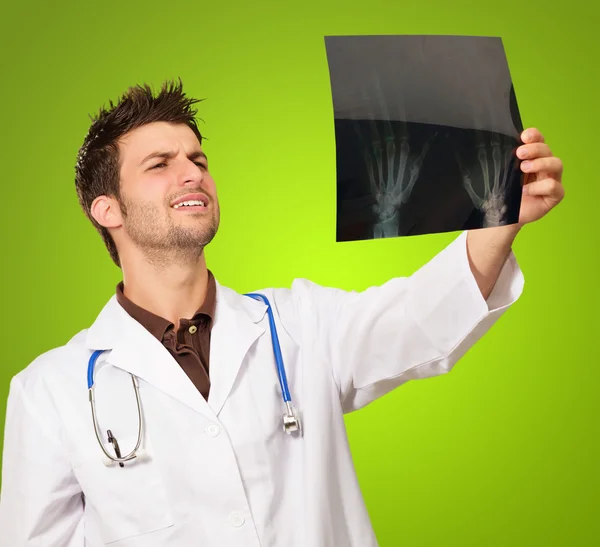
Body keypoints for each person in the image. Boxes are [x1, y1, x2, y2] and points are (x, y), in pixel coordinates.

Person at [0, 79, 564, 547]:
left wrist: (501, 219)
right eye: (160, 164)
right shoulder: (51, 391)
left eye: (197, 158)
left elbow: (418, 322)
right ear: (107, 210)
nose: (193, 173)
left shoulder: (299, 324)